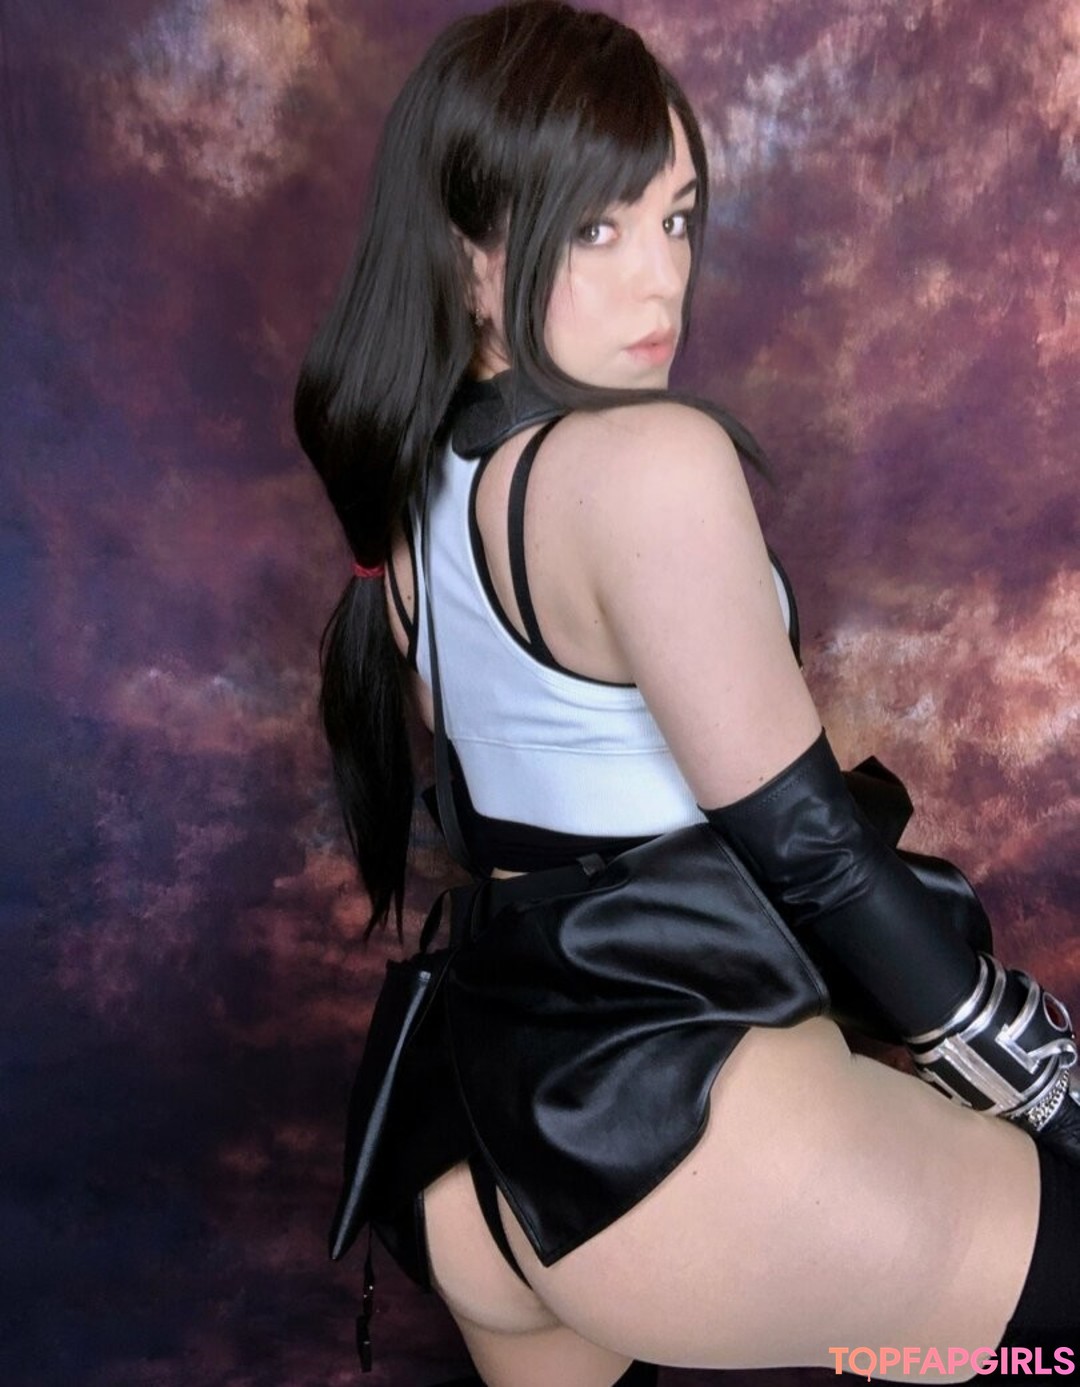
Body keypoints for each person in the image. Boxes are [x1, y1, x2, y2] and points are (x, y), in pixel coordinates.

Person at [294, 4, 1080, 1382]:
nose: (661, 278)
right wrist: (1042, 1077)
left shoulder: (414, 488)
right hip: (677, 1149)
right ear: (469, 251)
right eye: (595, 229)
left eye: (676, 218)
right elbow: (810, 850)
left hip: (468, 1150)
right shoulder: (648, 463)